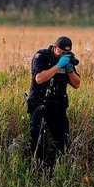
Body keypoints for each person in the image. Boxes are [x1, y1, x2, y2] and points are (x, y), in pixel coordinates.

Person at [26, 36, 81, 169]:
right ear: (55, 47)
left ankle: (59, 169)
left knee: (63, 140)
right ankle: (37, 170)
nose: (63, 55)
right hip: (40, 104)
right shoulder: (41, 56)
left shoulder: (67, 60)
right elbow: (39, 78)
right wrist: (58, 66)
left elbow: (77, 84)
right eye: (61, 52)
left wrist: (69, 69)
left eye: (66, 53)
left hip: (58, 106)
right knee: (38, 140)